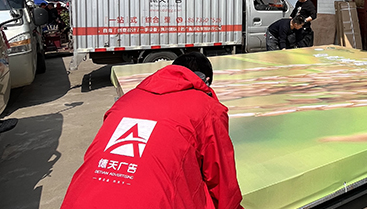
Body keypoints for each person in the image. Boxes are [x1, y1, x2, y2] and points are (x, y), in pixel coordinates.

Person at [61, 52, 244, 209]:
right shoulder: (206, 108)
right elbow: (221, 179)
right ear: (206, 81)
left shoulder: (127, 100)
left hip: (78, 201)